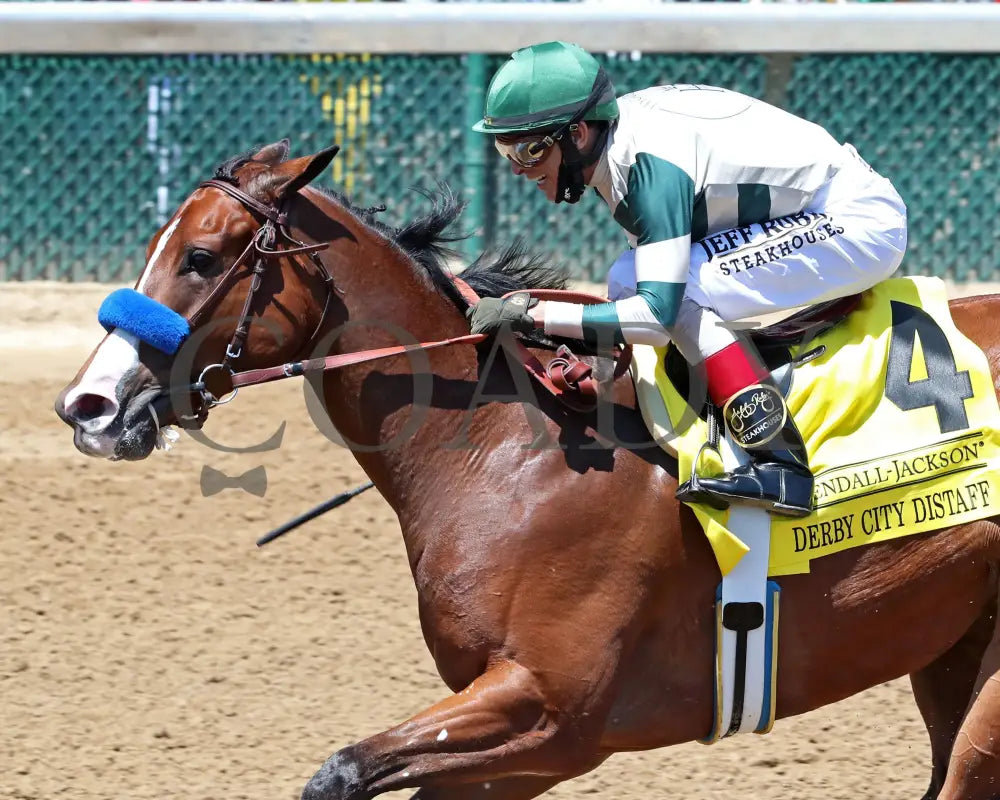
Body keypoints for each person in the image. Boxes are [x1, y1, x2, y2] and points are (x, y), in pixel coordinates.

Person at [467, 41, 908, 518]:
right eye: (505, 150)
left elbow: (656, 317)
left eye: (529, 149)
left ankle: (780, 463)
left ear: (577, 133)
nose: (517, 169)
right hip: (819, 205)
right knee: (623, 277)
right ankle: (710, 407)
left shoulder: (645, 171)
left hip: (856, 220)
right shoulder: (615, 146)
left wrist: (535, 316)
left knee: (679, 296)